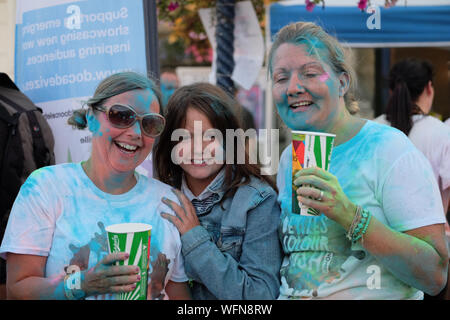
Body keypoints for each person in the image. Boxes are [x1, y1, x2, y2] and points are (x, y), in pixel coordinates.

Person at [269, 22, 448, 299]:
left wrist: (349, 216)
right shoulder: (290, 156)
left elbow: (435, 275)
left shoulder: (388, 147)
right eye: (281, 78)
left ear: (342, 83)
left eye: (310, 73)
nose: (293, 87)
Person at [0, 72, 190, 300]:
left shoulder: (169, 202)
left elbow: (178, 295)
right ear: (91, 118)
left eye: (150, 123)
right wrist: (82, 283)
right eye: (121, 116)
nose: (136, 133)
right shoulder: (46, 188)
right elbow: (17, 290)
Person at [153, 82, 282, 299]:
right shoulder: (159, 196)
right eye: (184, 137)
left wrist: (195, 237)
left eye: (210, 137)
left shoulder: (257, 200)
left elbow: (261, 296)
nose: (197, 148)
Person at [374, 58, 450, 214]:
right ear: (429, 87)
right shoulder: (442, 132)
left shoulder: (373, 129)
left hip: (380, 232)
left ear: (391, 91)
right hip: (429, 233)